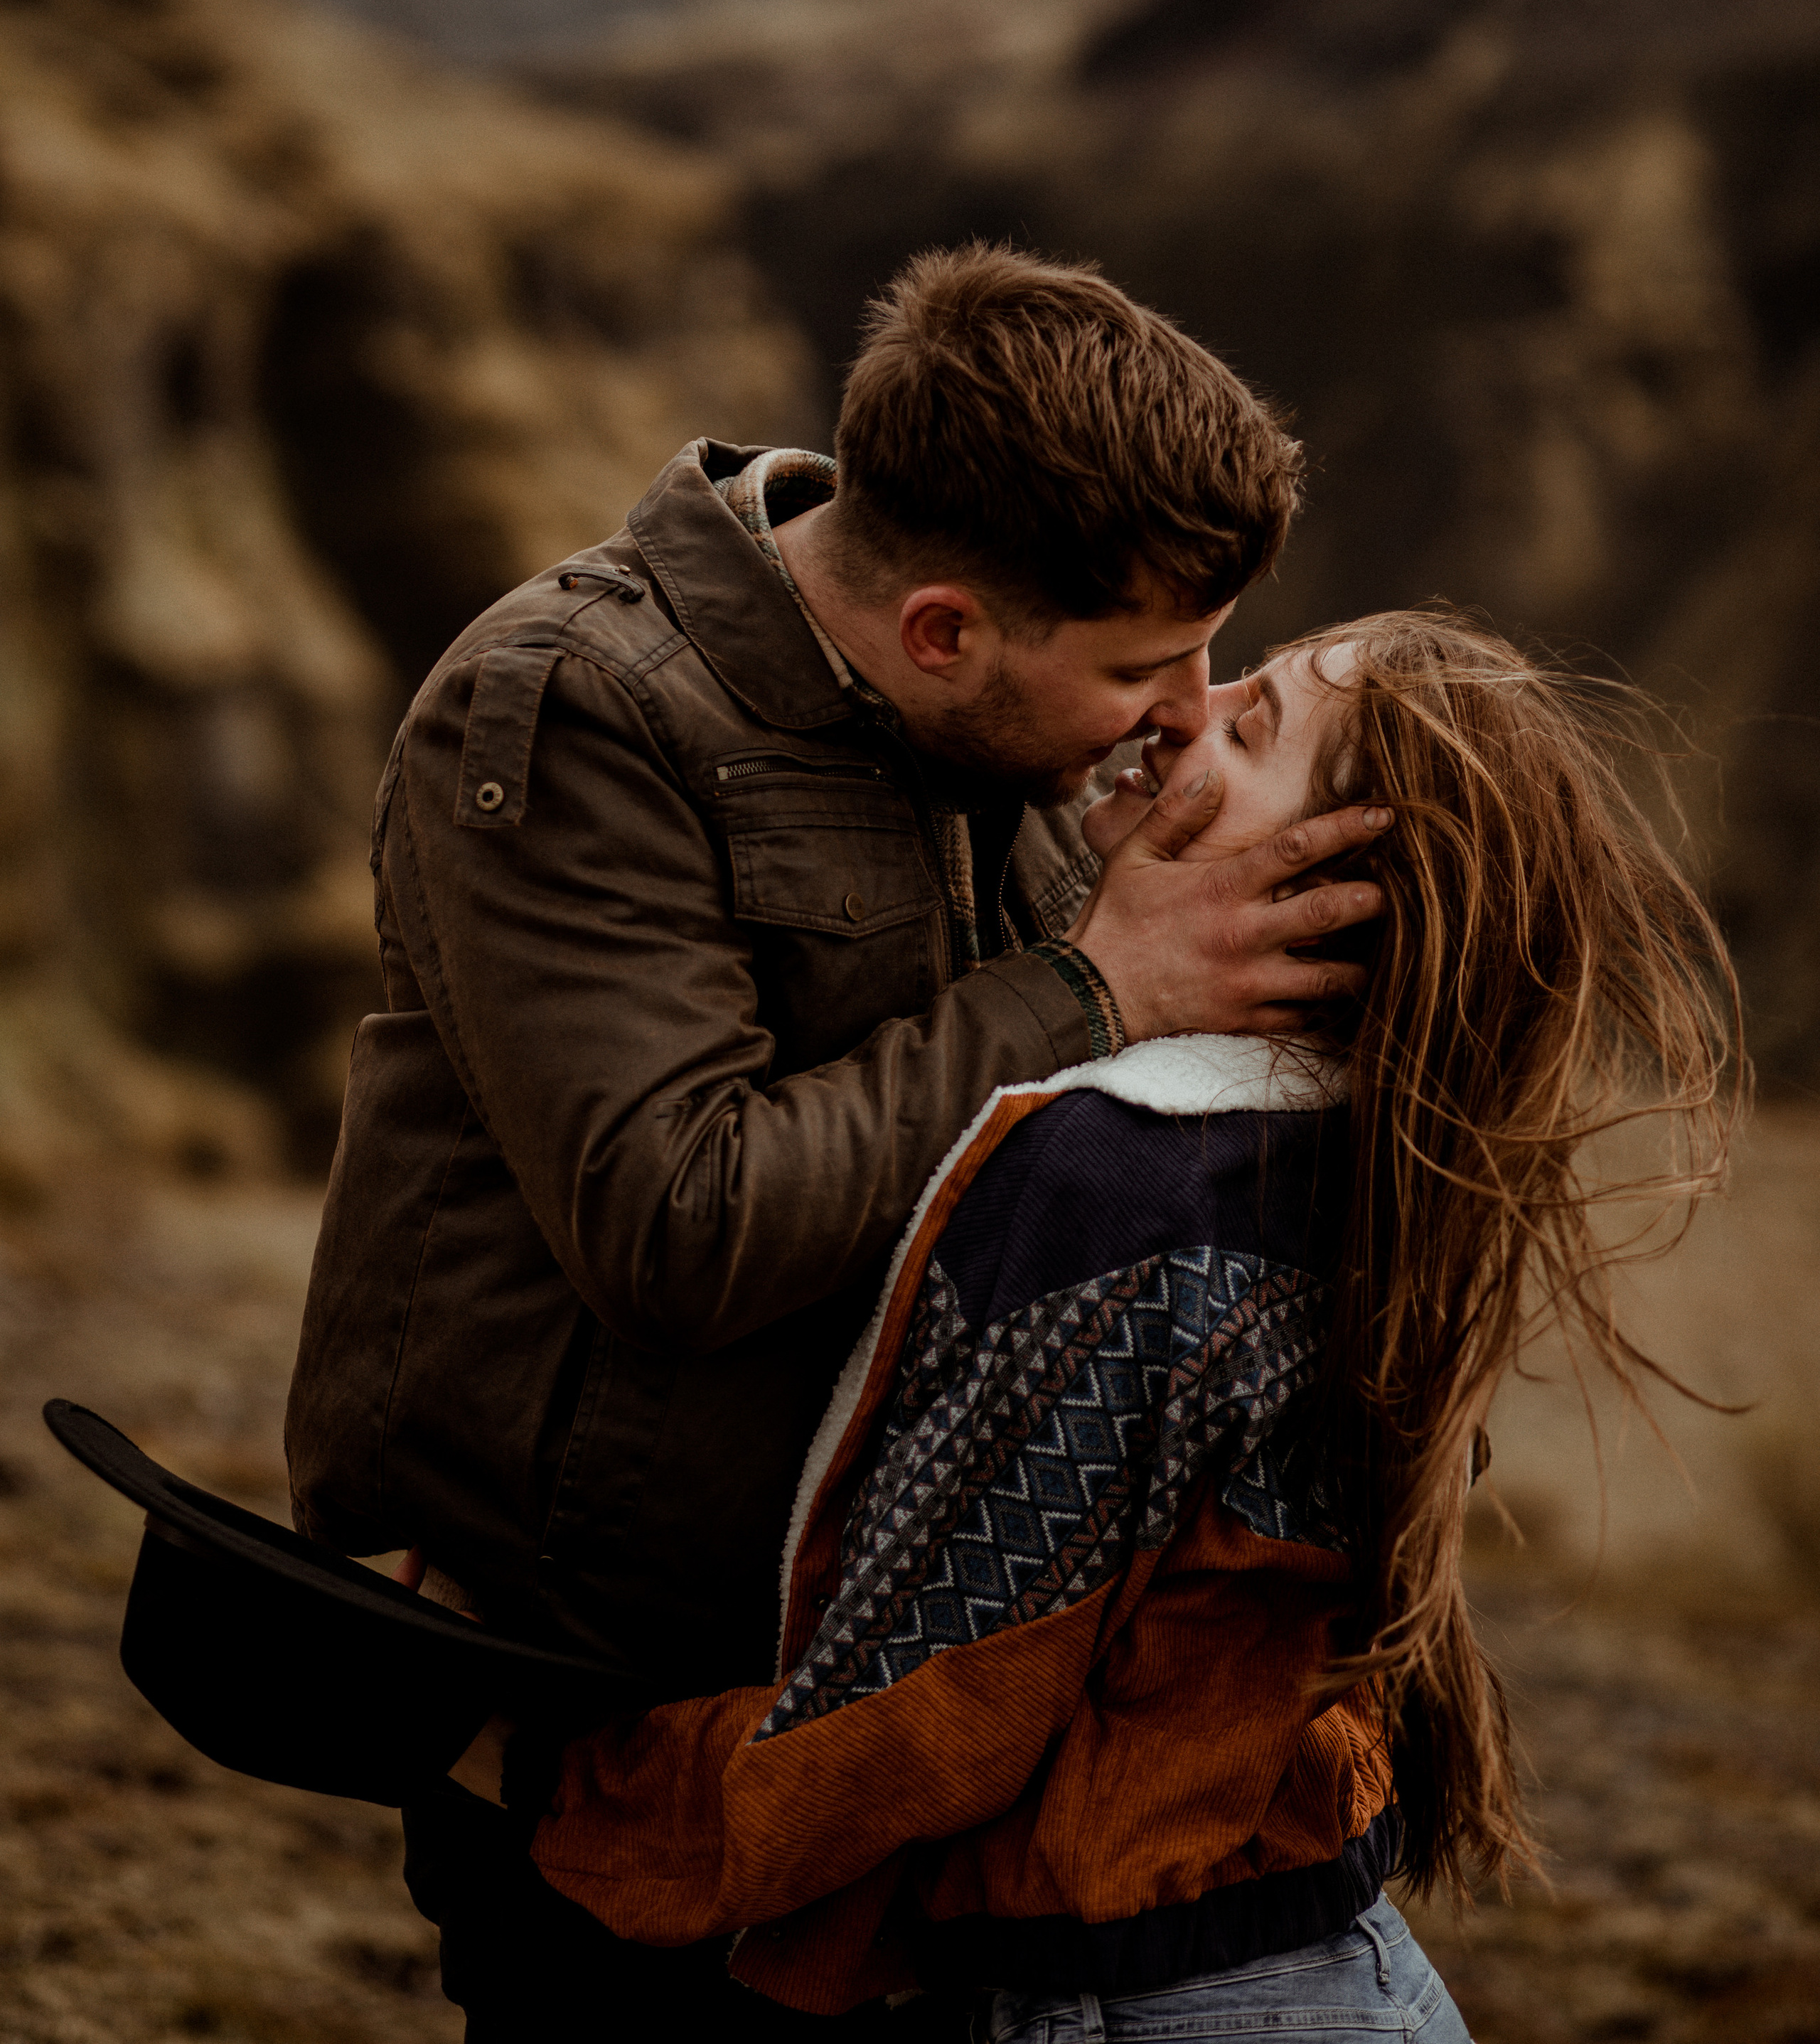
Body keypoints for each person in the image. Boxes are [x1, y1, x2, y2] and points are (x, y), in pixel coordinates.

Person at [282, 245, 1391, 2037]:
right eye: (1147, 666)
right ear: (942, 629)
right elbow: (673, 1223)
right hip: (605, 1685)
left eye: (1210, 657)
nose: (1190, 711)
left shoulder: (1003, 723)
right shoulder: (577, 707)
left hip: (864, 1694)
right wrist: (1092, 987)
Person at [504, 608, 1739, 2043]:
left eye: (1250, 727)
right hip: (1329, 1971)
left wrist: (551, 1778)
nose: (1182, 715)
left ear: (1324, 883)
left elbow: (921, 1709)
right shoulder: (1355, 1152)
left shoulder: (1122, 1181)